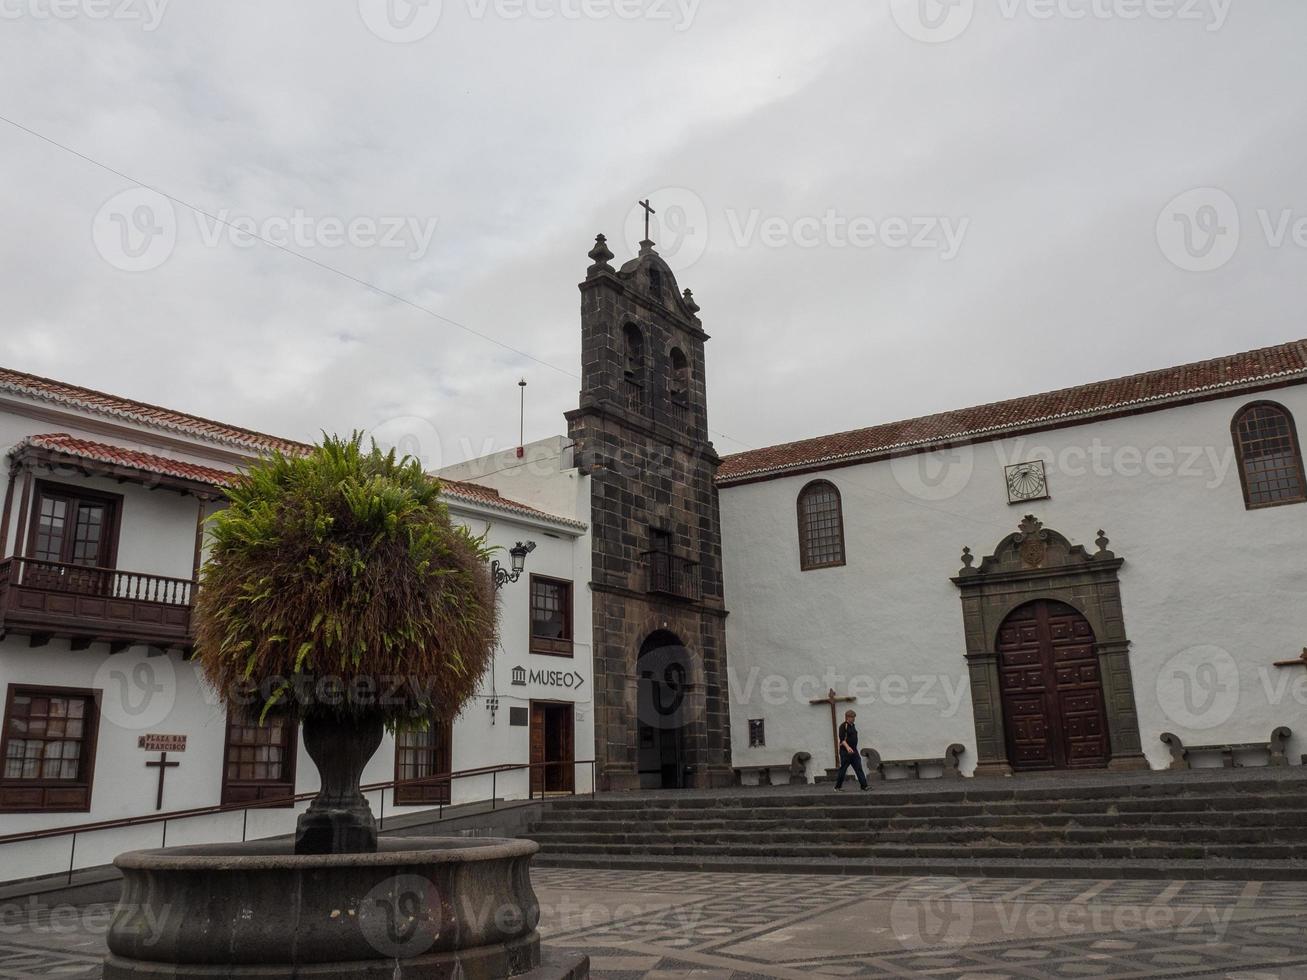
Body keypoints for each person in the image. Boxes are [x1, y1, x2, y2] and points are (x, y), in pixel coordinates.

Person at [833, 708, 868, 791]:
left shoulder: (853, 726)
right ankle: (837, 787)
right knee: (843, 769)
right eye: (852, 717)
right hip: (845, 752)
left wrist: (853, 749)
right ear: (847, 717)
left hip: (854, 751)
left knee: (858, 768)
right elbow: (842, 740)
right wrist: (848, 748)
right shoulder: (843, 726)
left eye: (854, 717)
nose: (853, 719)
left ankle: (864, 786)